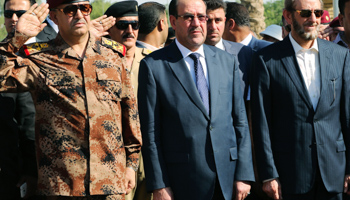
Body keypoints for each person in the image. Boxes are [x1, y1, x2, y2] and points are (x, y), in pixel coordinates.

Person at [0, 0, 142, 199]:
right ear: (54, 17)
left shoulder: (112, 56)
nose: (78, 14)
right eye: (70, 9)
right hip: (61, 186)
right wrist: (16, 38)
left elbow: (130, 112)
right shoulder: (39, 58)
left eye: (84, 8)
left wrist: (131, 165)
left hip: (110, 183)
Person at [138, 0, 255, 199]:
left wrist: (244, 174)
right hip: (182, 182)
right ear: (173, 22)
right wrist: (159, 184)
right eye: (188, 17)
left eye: (201, 17)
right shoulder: (153, 66)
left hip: (228, 180)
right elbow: (151, 132)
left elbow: (240, 121)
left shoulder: (227, 61)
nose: (197, 23)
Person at [251, 0, 350, 199]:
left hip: (335, 174)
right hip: (290, 176)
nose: (313, 19)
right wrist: (268, 174)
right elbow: (261, 122)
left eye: (318, 12)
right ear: (288, 16)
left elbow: (347, 117)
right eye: (305, 13)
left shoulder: (341, 56)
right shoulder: (266, 60)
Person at [104, 1, 152, 200]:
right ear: (109, 29)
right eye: (123, 25)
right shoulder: (99, 62)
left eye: (135, 25)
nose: (130, 31)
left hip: (150, 156)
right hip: (115, 157)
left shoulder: (154, 61)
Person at [1, 0, 37, 199]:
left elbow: (29, 120)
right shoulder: (2, 54)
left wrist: (31, 170)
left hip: (34, 167)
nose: (14, 19)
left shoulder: (51, 48)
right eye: (8, 14)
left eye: (20, 13)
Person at [203, 0, 253, 101]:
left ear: (225, 21)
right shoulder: (191, 55)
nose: (213, 27)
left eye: (218, 20)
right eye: (208, 21)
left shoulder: (244, 53)